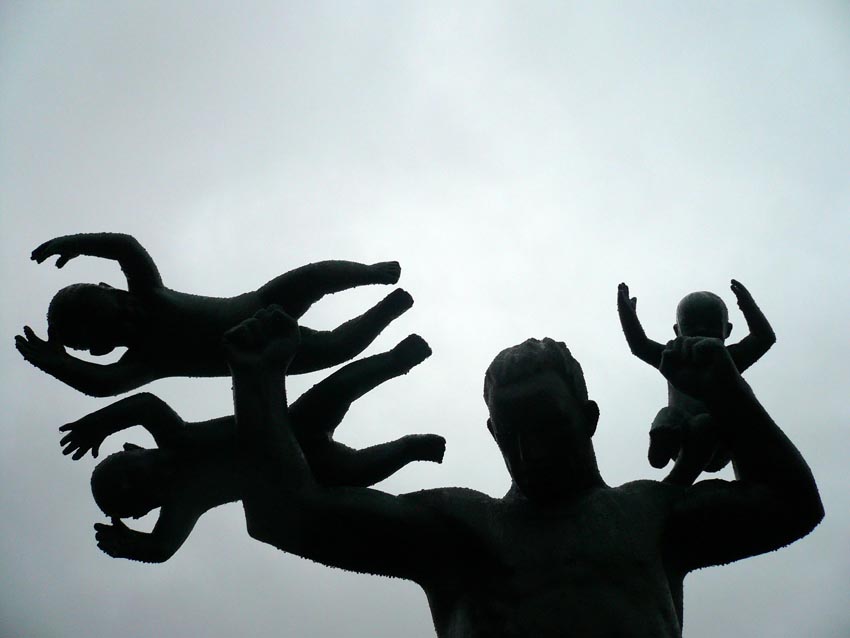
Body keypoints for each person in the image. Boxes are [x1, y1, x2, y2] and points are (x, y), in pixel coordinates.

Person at [222, 306, 822, 637]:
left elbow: (792, 505)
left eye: (547, 427)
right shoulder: (459, 529)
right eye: (511, 435)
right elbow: (286, 515)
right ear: (492, 436)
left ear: (587, 418)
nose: (530, 450)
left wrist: (726, 390)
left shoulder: (650, 515)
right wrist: (254, 380)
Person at [59, 335, 444, 563]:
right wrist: (130, 547)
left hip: (287, 423)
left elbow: (145, 405)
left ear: (135, 449)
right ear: (149, 507)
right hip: (295, 468)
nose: (140, 478)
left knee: (337, 390)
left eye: (128, 469)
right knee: (357, 470)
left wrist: (99, 422)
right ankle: (411, 447)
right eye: (136, 491)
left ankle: (397, 360)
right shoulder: (185, 500)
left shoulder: (177, 439)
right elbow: (161, 548)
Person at [16, 232, 411, 396]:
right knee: (335, 348)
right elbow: (101, 385)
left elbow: (125, 246)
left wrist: (76, 244)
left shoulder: (149, 294)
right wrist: (55, 363)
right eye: (118, 323)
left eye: (119, 303)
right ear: (103, 348)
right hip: (258, 355)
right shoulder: (145, 360)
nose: (128, 312)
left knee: (314, 277)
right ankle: (388, 310)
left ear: (110, 288)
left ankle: (372, 273)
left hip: (258, 304)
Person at [618, 279, 776, 485]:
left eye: (711, 325)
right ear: (677, 331)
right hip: (680, 435)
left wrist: (747, 305)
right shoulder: (673, 357)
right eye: (691, 325)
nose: (701, 328)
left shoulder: (727, 359)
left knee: (705, 423)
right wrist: (628, 314)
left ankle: (675, 479)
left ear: (727, 330)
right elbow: (640, 346)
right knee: (668, 415)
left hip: (720, 440)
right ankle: (662, 445)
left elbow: (764, 338)